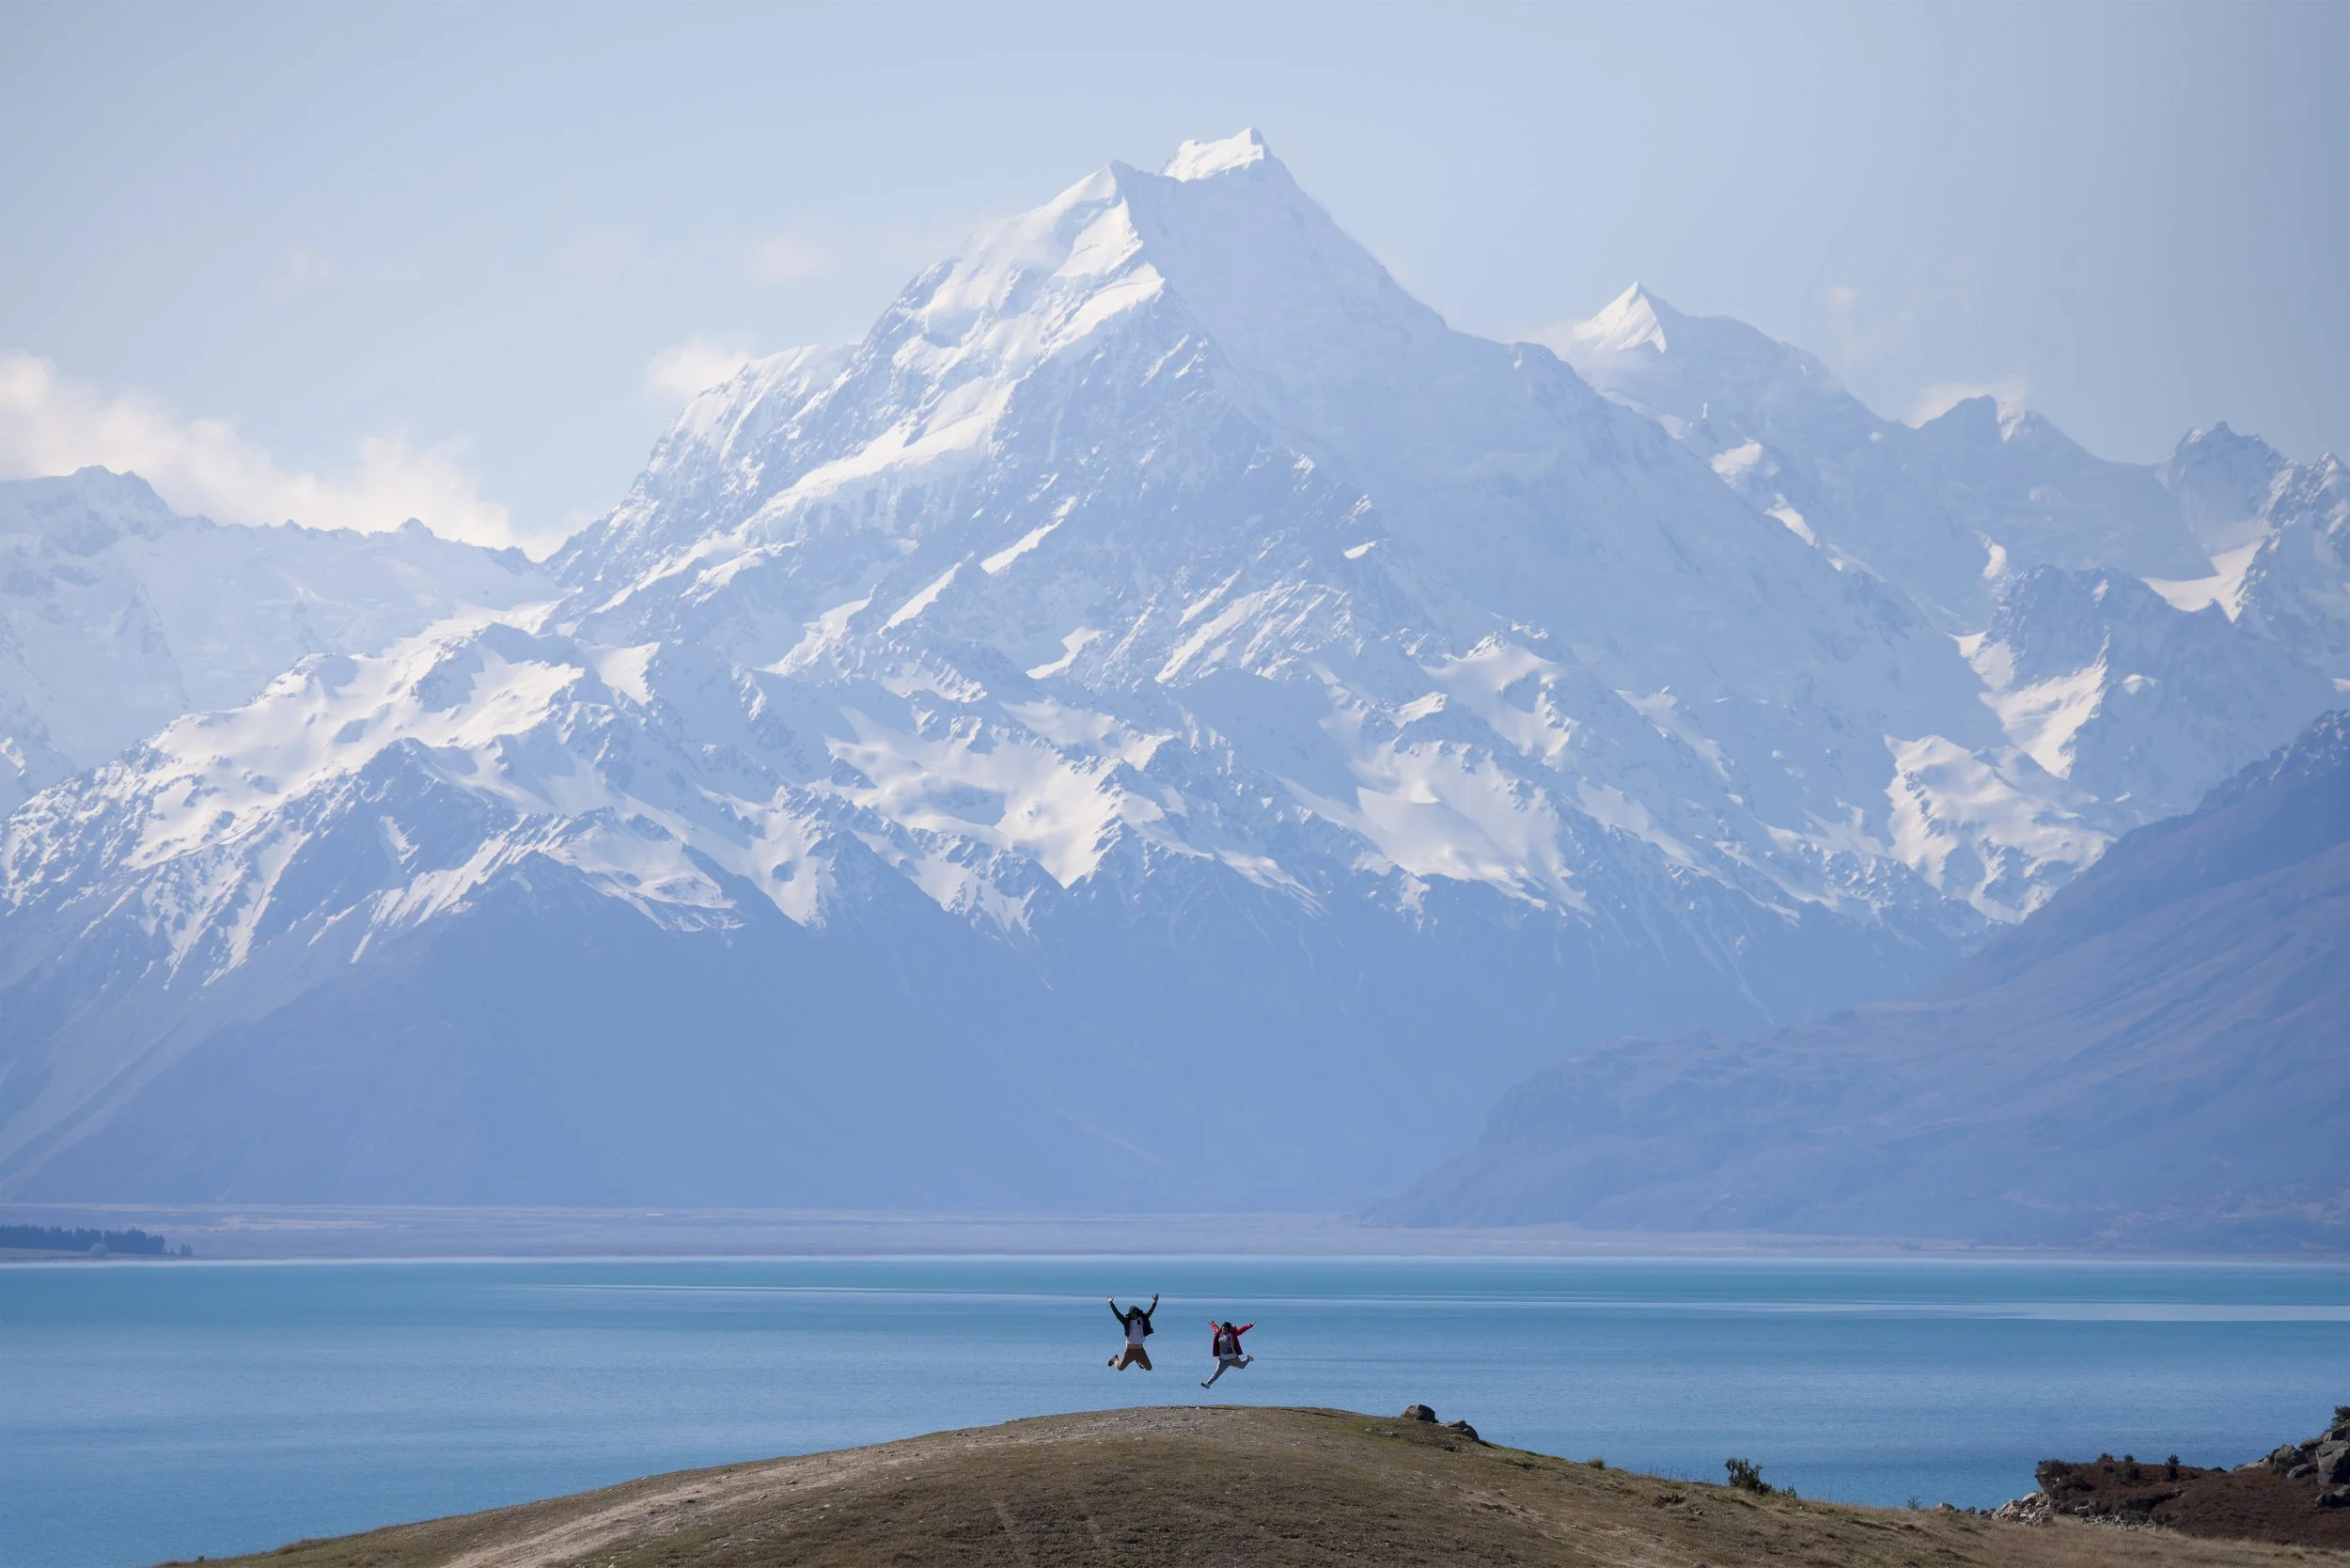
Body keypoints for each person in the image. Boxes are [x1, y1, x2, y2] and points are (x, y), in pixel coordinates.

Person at [1106, 1293, 1157, 1371]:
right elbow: (1117, 1315)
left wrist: (1155, 1302)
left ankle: (1138, 1360)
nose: (1135, 1315)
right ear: (1131, 1314)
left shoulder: (1142, 1319)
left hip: (1140, 1350)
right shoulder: (1126, 1321)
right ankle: (1114, 1359)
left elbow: (1150, 1312)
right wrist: (1111, 1303)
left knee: (1149, 1368)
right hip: (1129, 1350)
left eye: (1136, 1313)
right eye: (1133, 1314)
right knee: (1120, 1368)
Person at [1201, 1318, 1255, 1388]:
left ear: (1229, 1329)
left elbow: (1242, 1329)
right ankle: (1208, 1384)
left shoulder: (1233, 1333)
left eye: (1226, 1329)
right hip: (1223, 1359)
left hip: (1233, 1358)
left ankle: (1248, 1359)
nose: (1224, 1330)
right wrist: (1212, 1323)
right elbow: (1215, 1328)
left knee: (1242, 1366)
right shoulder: (1219, 1333)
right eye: (1223, 1329)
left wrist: (1250, 1325)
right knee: (1217, 1373)